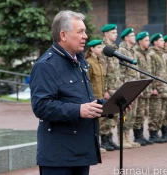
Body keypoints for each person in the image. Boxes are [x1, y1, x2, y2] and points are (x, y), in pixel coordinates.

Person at [30, 10, 104, 175]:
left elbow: (84, 101)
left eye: (85, 31)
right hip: (59, 156)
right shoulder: (46, 65)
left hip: (80, 151)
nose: (85, 36)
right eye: (80, 32)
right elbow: (41, 106)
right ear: (63, 35)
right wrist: (78, 110)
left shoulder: (79, 62)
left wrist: (115, 105)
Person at [117, 28, 141, 148]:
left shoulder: (134, 51)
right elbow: (120, 71)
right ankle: (121, 138)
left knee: (132, 114)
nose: (134, 37)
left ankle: (127, 136)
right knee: (124, 114)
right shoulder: (121, 51)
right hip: (126, 86)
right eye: (132, 35)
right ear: (126, 38)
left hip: (134, 85)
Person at [99, 23, 120, 151]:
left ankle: (109, 138)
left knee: (113, 115)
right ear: (106, 34)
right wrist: (105, 89)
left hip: (115, 86)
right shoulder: (103, 50)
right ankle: (104, 139)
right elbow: (103, 71)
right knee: (106, 114)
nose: (116, 34)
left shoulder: (114, 49)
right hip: (108, 88)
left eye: (116, 32)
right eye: (113, 32)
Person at [85, 39, 107, 153]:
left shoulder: (99, 62)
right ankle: (93, 146)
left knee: (98, 122)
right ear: (92, 49)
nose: (101, 49)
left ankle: (96, 145)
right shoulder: (89, 62)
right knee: (93, 123)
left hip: (100, 96)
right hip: (93, 97)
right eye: (98, 47)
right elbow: (87, 81)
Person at [146, 33, 167, 143]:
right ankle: (153, 133)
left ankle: (159, 132)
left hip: (163, 87)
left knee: (161, 112)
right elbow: (151, 71)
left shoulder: (162, 54)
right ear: (155, 42)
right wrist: (153, 87)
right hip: (156, 88)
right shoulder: (152, 54)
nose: (163, 42)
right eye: (161, 40)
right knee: (155, 112)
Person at [133, 31, 153, 146]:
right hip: (139, 88)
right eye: (146, 40)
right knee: (138, 113)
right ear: (140, 41)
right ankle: (137, 135)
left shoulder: (147, 54)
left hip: (147, 88)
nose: (148, 42)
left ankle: (140, 135)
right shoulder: (136, 53)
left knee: (143, 112)